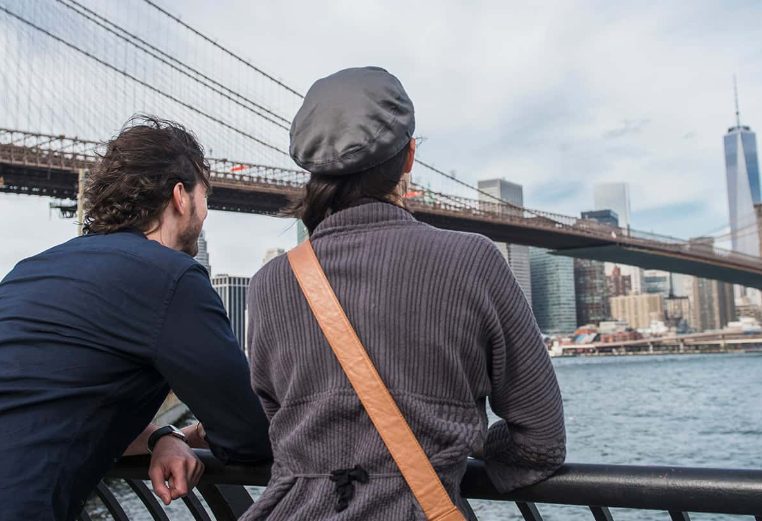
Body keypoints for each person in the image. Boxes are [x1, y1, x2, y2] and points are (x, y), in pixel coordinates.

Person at [243, 67, 566, 520]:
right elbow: (541, 440)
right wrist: (455, 451)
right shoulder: (472, 260)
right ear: (410, 157)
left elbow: (274, 425)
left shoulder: (269, 284)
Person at [0, 116, 271, 521]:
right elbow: (249, 436)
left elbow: (56, 407)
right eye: (205, 196)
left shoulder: (31, 269)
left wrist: (163, 435)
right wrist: (192, 436)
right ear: (181, 197)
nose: (206, 211)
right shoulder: (171, 277)